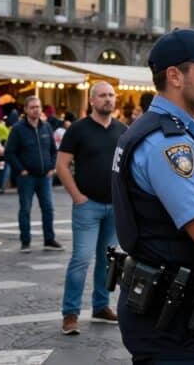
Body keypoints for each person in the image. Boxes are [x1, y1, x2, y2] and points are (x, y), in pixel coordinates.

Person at [112, 28, 194, 364]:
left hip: (162, 303)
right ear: (174, 76)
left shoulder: (156, 130)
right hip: (172, 315)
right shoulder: (170, 143)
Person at [56, 82, 127, 335]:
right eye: (103, 96)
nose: (108, 99)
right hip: (88, 206)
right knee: (81, 259)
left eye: (111, 95)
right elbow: (62, 165)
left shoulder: (123, 130)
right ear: (92, 100)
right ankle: (70, 313)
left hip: (114, 207)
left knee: (107, 262)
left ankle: (101, 306)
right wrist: (76, 196)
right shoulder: (77, 129)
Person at [5, 96, 62, 252]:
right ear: (25, 109)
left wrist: (52, 167)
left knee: (48, 208)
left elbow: (53, 150)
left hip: (45, 176)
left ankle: (49, 240)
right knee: (25, 209)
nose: (36, 110)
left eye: (38, 106)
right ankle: (25, 241)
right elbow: (9, 152)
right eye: (32, 107)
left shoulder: (46, 127)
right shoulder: (18, 129)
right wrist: (21, 170)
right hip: (27, 177)